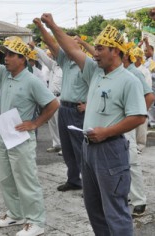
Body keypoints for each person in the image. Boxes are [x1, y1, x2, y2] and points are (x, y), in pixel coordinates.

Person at [41, 14, 147, 235]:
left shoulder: (129, 80)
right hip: (89, 147)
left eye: (100, 49)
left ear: (115, 51)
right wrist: (52, 26)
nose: (95, 53)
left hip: (111, 150)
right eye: (95, 48)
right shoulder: (96, 72)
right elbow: (72, 50)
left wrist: (106, 132)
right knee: (94, 208)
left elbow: (138, 117)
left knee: (115, 209)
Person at [0, 27, 59, 236]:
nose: (5, 58)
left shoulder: (32, 81)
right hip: (5, 136)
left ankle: (36, 221)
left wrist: (35, 123)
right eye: (5, 54)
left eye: (9, 54)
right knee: (6, 179)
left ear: (22, 58)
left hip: (22, 138)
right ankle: (15, 214)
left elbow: (53, 104)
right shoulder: (4, 74)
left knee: (27, 181)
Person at [34, 17, 88, 192]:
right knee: (67, 149)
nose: (66, 46)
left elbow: (98, 86)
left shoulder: (86, 64)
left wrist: (89, 104)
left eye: (71, 43)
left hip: (77, 110)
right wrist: (41, 26)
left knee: (80, 149)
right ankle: (73, 179)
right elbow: (52, 44)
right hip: (64, 108)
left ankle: (88, 183)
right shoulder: (66, 62)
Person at [122, 45, 155, 217]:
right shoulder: (118, 72)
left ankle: (139, 201)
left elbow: (149, 95)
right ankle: (130, 194)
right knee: (123, 162)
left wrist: (139, 117)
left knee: (132, 161)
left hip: (127, 123)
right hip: (118, 124)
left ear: (125, 56)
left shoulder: (134, 73)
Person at [29, 41, 62, 154]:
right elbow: (44, 57)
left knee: (60, 123)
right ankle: (56, 144)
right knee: (52, 122)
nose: (53, 55)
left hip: (61, 97)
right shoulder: (54, 65)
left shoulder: (66, 67)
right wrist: (35, 47)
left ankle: (63, 146)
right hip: (51, 97)